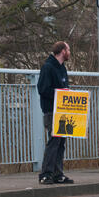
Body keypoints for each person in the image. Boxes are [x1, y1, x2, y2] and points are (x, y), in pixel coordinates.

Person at [37, 41, 73, 185]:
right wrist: (60, 94)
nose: (70, 52)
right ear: (63, 51)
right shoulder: (48, 67)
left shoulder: (62, 68)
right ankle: (46, 174)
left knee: (60, 143)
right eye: (68, 49)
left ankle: (58, 174)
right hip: (51, 110)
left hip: (62, 111)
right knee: (54, 141)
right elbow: (43, 89)